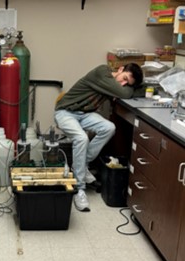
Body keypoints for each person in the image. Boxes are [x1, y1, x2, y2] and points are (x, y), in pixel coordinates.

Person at [54, 63, 143, 212]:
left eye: (128, 83)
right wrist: (127, 89)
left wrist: (134, 87)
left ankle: (81, 165)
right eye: (124, 78)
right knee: (82, 138)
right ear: (120, 69)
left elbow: (133, 90)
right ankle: (79, 188)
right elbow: (126, 94)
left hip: (85, 114)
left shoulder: (113, 83)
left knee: (109, 128)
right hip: (65, 112)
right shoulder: (102, 72)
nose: (123, 83)